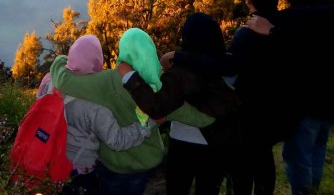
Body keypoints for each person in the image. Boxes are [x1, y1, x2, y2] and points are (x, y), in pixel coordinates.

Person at [49, 28, 212, 195]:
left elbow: (64, 80)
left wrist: (62, 60)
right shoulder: (160, 88)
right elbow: (195, 116)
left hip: (113, 163)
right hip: (146, 162)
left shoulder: (104, 82)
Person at [247, 0, 334, 195]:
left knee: (299, 156)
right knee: (316, 151)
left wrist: (272, 32)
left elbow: (304, 55)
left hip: (310, 104)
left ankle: (305, 192)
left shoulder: (303, 22)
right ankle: (312, 189)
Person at [118, 12, 240, 195]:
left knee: (177, 189)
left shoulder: (182, 74)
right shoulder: (230, 64)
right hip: (218, 142)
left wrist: (129, 76)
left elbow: (156, 107)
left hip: (184, 144)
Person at [35, 34, 151, 195]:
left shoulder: (49, 81)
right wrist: (143, 125)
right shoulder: (95, 104)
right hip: (80, 170)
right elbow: (116, 140)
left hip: (49, 161)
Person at [228, 0, 298, 195]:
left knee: (241, 168)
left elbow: (230, 72)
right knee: (263, 157)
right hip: (278, 110)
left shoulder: (245, 35)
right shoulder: (289, 27)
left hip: (248, 113)